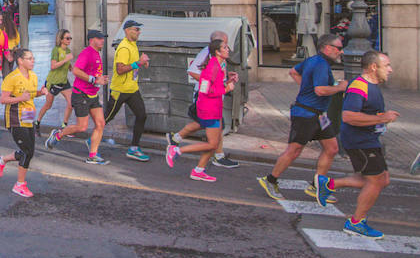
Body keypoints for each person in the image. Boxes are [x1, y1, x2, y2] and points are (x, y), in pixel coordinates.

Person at [315, 50, 396, 239]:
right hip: (360, 142)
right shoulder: (359, 86)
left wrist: (380, 119)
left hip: (369, 140)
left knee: (382, 179)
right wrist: (383, 117)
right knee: (375, 181)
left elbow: (365, 112)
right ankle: (356, 222)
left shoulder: (372, 86)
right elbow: (348, 116)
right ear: (373, 67)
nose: (391, 70)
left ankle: (328, 184)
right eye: (387, 66)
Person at [257, 34, 347, 200]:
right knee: (294, 150)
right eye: (339, 48)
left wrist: (306, 87)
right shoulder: (320, 64)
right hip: (306, 114)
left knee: (332, 148)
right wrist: (340, 87)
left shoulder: (313, 60)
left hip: (320, 115)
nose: (341, 52)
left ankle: (316, 186)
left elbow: (293, 72)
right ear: (327, 48)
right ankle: (270, 180)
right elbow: (320, 90)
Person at [165, 39, 238, 182]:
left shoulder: (219, 64)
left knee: (214, 143)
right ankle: (176, 150)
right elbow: (205, 89)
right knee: (212, 143)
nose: (228, 49)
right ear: (217, 52)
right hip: (208, 109)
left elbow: (214, 84)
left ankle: (199, 170)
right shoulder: (213, 66)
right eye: (224, 47)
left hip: (215, 108)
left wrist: (229, 81)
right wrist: (226, 89)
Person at [45, 30, 109, 164]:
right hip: (81, 94)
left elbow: (93, 73)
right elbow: (75, 70)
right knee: (82, 127)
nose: (103, 40)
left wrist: (100, 79)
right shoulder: (87, 53)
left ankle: (93, 156)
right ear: (92, 40)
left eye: (103, 38)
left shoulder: (97, 53)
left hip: (93, 95)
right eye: (100, 38)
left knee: (100, 123)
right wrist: (94, 80)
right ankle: (58, 134)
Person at [0, 48, 47, 197]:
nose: (33, 61)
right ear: (20, 61)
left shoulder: (34, 76)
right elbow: (3, 99)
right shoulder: (12, 78)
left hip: (28, 117)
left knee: (28, 151)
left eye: (33, 58)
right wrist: (20, 99)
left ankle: (2, 160)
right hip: (15, 118)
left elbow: (29, 94)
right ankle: (19, 185)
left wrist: (40, 92)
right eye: (29, 58)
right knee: (28, 151)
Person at [103, 20, 151, 162]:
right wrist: (138, 63)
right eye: (136, 29)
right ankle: (92, 138)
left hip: (132, 89)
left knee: (141, 115)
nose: (139, 32)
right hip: (120, 90)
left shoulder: (133, 45)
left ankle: (134, 148)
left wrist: (141, 62)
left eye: (139, 30)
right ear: (127, 30)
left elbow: (133, 65)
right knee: (107, 118)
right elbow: (120, 69)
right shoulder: (124, 47)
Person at [35, 29, 74, 137]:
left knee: (71, 103)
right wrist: (66, 60)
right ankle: (37, 123)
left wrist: (72, 68)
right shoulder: (56, 50)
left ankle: (64, 126)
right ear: (61, 39)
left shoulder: (68, 51)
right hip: (53, 82)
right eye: (67, 38)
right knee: (48, 105)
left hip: (64, 82)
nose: (69, 40)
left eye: (70, 38)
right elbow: (53, 66)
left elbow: (68, 65)